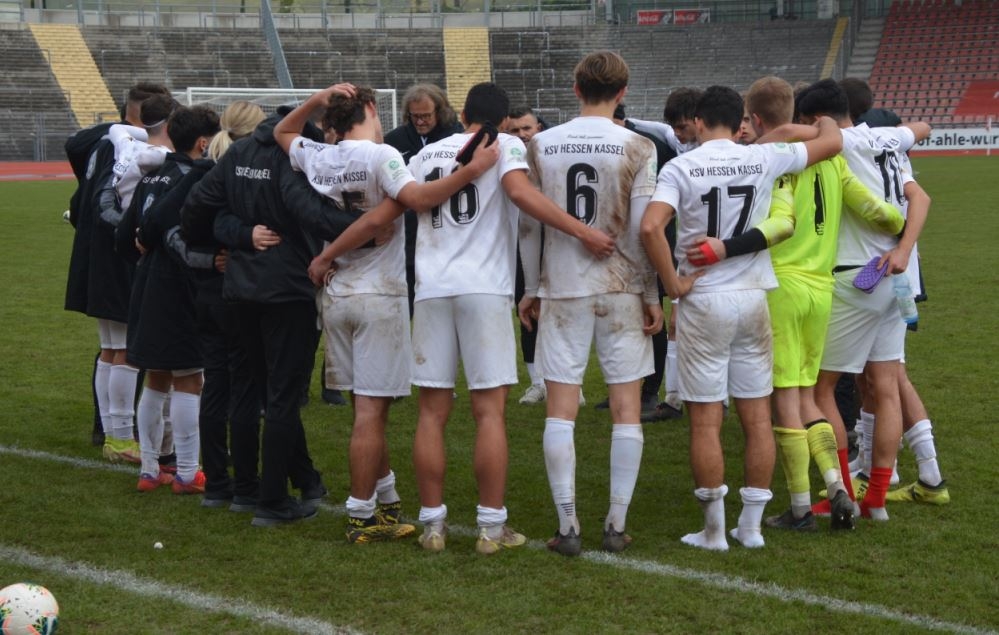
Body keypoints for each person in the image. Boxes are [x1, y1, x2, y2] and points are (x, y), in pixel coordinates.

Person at [309, 82, 615, 554]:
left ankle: (433, 525)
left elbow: (380, 217)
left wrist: (328, 254)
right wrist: (582, 231)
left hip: (430, 292)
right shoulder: (505, 143)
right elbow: (519, 193)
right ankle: (491, 528)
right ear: (503, 119)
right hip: (484, 289)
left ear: (462, 113)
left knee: (432, 414)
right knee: (488, 412)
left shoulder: (425, 154)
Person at [274, 83, 501, 544]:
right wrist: (473, 170)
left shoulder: (318, 155)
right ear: (373, 109)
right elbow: (415, 201)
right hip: (380, 293)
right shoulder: (382, 157)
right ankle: (362, 514)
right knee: (371, 413)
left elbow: (282, 130)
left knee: (364, 406)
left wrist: (315, 100)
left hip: (338, 294)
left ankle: (386, 496)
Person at [640, 85, 843, 551]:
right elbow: (832, 140)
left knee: (706, 421)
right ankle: (750, 527)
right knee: (756, 418)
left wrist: (672, 283)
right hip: (753, 295)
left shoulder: (681, 165)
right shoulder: (761, 157)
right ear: (740, 122)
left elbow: (651, 226)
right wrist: (818, 122)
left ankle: (713, 530)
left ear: (699, 119)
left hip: (705, 298)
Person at [180, 106, 365, 527]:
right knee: (282, 397)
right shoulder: (294, 156)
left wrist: (236, 235)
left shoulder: (240, 152)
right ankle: (273, 501)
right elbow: (310, 213)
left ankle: (244, 491)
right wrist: (369, 224)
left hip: (241, 288)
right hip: (286, 289)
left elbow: (195, 208)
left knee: (246, 389)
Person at [744, 76, 906, 532]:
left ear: (756, 119)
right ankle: (837, 484)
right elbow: (880, 211)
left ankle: (798, 507)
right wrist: (898, 228)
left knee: (786, 400)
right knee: (811, 396)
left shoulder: (774, 159)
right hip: (822, 290)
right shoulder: (834, 162)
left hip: (782, 286)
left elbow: (780, 219)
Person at [518, 52, 662, 557]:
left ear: (576, 88)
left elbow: (530, 224)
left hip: (562, 286)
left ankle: (568, 526)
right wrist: (650, 293)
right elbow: (647, 228)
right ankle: (616, 524)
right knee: (626, 409)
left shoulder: (540, 143)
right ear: (622, 92)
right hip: (621, 286)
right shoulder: (640, 145)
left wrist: (533, 287)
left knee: (561, 408)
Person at [793, 78, 931, 521]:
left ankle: (845, 492)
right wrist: (905, 250)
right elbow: (922, 132)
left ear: (818, 120)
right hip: (897, 274)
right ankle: (876, 501)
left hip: (857, 276)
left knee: (822, 389)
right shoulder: (889, 140)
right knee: (886, 385)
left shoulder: (834, 143)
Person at [64, 83, 171, 461]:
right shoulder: (128, 146)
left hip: (96, 251)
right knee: (124, 349)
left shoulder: (104, 141)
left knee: (112, 348)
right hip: (117, 251)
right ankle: (121, 438)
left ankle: (112, 434)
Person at [119, 105, 221, 494]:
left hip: (147, 282)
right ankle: (187, 472)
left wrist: (143, 249)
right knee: (190, 377)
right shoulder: (191, 177)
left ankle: (149, 469)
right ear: (203, 142)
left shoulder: (152, 175)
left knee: (157, 377)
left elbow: (126, 235)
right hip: (179, 284)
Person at [383, 84, 466, 318]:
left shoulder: (457, 137)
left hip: (447, 226)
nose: (420, 122)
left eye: (426, 116)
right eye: (415, 116)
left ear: (440, 112)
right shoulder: (393, 141)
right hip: (407, 231)